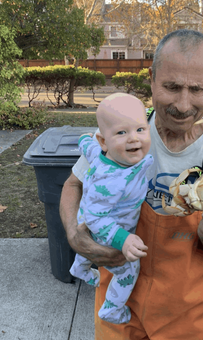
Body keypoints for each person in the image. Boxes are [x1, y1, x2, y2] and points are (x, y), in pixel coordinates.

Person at [60, 29, 203, 340]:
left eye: (197, 89)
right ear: (150, 78)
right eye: (172, 87)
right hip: (119, 300)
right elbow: (74, 186)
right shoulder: (124, 129)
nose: (183, 104)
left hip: (189, 311)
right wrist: (73, 234)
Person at [69, 93, 153, 324]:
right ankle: (112, 309)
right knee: (129, 270)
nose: (133, 139)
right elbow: (96, 220)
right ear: (104, 141)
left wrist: (83, 139)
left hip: (86, 214)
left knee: (87, 247)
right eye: (121, 132)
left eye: (140, 129)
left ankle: (80, 269)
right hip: (106, 228)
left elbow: (87, 145)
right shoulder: (113, 181)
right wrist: (123, 240)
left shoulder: (101, 152)